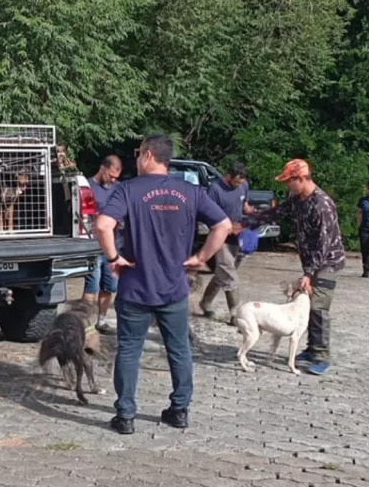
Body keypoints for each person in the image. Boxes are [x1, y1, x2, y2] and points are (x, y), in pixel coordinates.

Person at [94, 136, 231, 435]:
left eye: (138, 154)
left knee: (129, 350)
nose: (135, 159)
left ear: (148, 155)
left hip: (135, 287)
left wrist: (114, 257)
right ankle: (179, 410)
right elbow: (223, 225)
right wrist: (201, 257)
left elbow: (103, 225)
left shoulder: (127, 189)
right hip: (173, 288)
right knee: (179, 349)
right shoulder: (191, 191)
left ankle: (125, 415)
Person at [245, 159, 345, 375]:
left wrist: (309, 274)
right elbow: (278, 212)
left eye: (289, 181)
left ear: (300, 179)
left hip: (328, 262)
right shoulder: (297, 198)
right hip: (312, 261)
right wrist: (249, 221)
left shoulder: (322, 205)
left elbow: (323, 244)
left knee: (318, 307)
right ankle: (310, 349)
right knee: (307, 305)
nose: (287, 186)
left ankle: (320, 355)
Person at [198, 163, 253, 324]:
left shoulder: (243, 185)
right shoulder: (215, 190)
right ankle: (236, 315)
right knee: (229, 275)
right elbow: (207, 215)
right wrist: (227, 227)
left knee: (223, 272)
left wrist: (253, 215)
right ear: (228, 176)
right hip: (220, 237)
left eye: (241, 182)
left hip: (238, 237)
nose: (239, 185)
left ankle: (205, 303)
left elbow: (245, 206)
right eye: (236, 182)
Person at [83, 155, 123, 334]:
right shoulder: (87, 187)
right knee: (92, 285)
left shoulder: (119, 189)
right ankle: (85, 322)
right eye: (111, 176)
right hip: (92, 245)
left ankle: (102, 320)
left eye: (116, 177)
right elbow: (84, 214)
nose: (113, 180)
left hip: (113, 246)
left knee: (109, 286)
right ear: (102, 168)